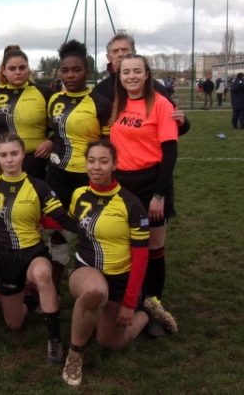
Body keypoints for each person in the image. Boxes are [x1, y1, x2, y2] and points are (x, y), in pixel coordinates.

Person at [61, 139, 172, 386]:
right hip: (85, 269)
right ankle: (75, 354)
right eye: (91, 161)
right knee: (94, 292)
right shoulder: (79, 194)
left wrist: (130, 303)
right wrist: (40, 220)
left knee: (111, 343)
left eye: (103, 161)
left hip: (120, 278)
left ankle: (148, 310)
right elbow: (69, 222)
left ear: (115, 165)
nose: (96, 167)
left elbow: (142, 258)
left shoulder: (131, 204)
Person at [0, 133, 76, 364]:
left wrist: (91, 227)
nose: (9, 159)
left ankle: (54, 339)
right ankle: (29, 300)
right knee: (14, 324)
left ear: (23, 154)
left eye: (14, 153)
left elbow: (61, 217)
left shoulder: (38, 186)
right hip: (6, 257)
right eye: (4, 155)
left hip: (33, 252)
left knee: (43, 274)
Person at [109, 54, 179, 336]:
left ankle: (152, 308)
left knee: (153, 250)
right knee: (129, 249)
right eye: (126, 72)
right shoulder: (118, 104)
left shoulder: (161, 104)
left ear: (147, 74)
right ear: (119, 75)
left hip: (153, 183)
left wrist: (160, 194)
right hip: (123, 185)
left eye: (137, 71)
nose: (132, 77)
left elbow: (171, 152)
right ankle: (132, 301)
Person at [42, 40, 112, 292]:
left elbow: (108, 144)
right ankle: (52, 289)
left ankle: (91, 284)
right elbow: (57, 133)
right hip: (57, 176)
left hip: (88, 178)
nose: (70, 75)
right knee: (57, 234)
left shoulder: (101, 104)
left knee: (92, 232)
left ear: (87, 72)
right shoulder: (55, 100)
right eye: (65, 70)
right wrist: (49, 143)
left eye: (76, 70)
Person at [0, 45, 55, 180]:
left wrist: (51, 142)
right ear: (3, 71)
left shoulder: (45, 93)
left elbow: (64, 126)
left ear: (28, 69)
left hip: (35, 162)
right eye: (12, 68)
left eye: (22, 68)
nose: (18, 72)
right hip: (0, 162)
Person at [93, 32, 190, 136]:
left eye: (125, 50)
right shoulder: (100, 91)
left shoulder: (155, 88)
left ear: (134, 53)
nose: (120, 54)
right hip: (111, 150)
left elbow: (174, 125)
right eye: (115, 51)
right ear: (109, 57)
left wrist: (182, 123)